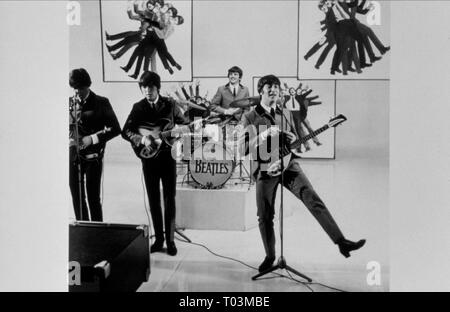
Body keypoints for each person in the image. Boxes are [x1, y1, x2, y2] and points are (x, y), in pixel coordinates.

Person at [238, 75, 365, 272]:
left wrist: (290, 139)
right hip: (264, 169)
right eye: (269, 87)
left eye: (276, 88)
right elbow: (243, 149)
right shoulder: (250, 117)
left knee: (312, 198)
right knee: (264, 216)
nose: (273, 90)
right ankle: (270, 256)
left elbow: (292, 141)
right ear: (261, 90)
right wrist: (263, 135)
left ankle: (341, 242)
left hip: (288, 164)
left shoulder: (286, 114)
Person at [121, 71, 190, 256]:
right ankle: (158, 239)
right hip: (148, 160)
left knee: (169, 199)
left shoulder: (171, 104)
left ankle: (171, 241)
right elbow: (126, 130)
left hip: (168, 158)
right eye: (144, 88)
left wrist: (177, 133)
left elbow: (185, 124)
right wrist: (141, 140)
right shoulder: (137, 107)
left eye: (150, 87)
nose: (147, 91)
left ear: (157, 87)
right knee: (153, 200)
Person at [69, 68, 121, 221]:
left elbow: (116, 129)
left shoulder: (102, 102)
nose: (77, 91)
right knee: (77, 198)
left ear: (88, 85)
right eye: (75, 88)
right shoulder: (69, 103)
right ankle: (82, 231)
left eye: (81, 88)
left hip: (94, 157)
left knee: (93, 197)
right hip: (74, 157)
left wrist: (92, 139)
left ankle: (97, 233)